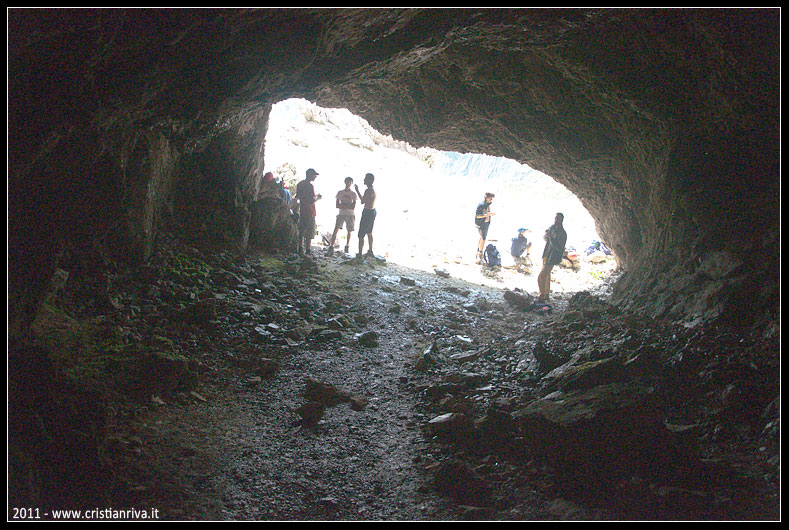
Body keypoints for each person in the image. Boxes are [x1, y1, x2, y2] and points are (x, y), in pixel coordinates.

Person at [537, 213, 567, 302]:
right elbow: (545, 238)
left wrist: (551, 238)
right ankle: (546, 294)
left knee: (541, 276)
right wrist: (546, 236)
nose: (556, 220)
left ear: (561, 220)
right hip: (546, 254)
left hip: (553, 257)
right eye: (555, 218)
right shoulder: (552, 228)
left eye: (558, 219)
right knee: (547, 275)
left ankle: (541, 295)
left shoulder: (563, 233)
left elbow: (559, 248)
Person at [327, 177, 357, 256]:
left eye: (350, 182)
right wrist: (346, 206)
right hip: (341, 213)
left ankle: (347, 246)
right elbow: (337, 205)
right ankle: (331, 246)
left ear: (351, 183)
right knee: (336, 229)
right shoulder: (340, 193)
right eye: (347, 182)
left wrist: (343, 206)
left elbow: (353, 206)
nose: (348, 184)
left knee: (349, 231)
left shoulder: (353, 194)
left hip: (350, 214)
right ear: (345, 182)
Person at [295, 168, 322, 255]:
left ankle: (300, 248)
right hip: (310, 211)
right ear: (310, 175)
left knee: (302, 230)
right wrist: (318, 197)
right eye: (314, 175)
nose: (315, 177)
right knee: (309, 231)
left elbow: (298, 197)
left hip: (302, 210)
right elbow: (311, 200)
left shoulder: (300, 184)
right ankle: (308, 249)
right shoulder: (310, 186)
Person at [355, 172, 377, 259]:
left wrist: (357, 190)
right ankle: (370, 251)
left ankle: (360, 254)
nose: (364, 180)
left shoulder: (369, 191)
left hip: (367, 212)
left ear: (370, 180)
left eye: (366, 179)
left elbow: (362, 201)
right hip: (372, 211)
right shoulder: (372, 189)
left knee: (361, 234)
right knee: (369, 232)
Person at [475, 192, 495, 264]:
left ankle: (478, 250)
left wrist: (489, 215)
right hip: (481, 224)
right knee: (483, 238)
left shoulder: (487, 205)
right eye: (490, 198)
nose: (491, 200)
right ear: (486, 198)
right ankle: (480, 253)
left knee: (482, 237)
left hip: (486, 223)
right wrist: (488, 214)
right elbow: (477, 216)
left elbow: (486, 213)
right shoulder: (481, 205)